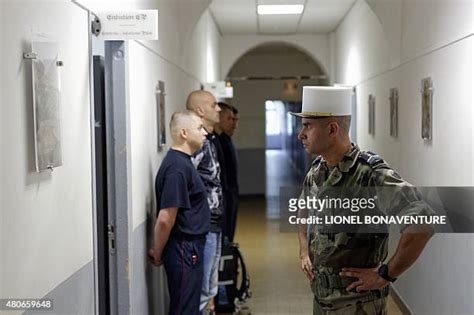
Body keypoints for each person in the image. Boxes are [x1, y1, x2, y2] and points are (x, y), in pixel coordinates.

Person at [292, 86, 434, 314]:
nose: (301, 134)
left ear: (332, 129)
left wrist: (386, 274)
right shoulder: (318, 170)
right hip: (321, 299)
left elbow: (424, 221)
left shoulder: (370, 174)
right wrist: (303, 251)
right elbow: (303, 207)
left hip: (358, 304)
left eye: (307, 126)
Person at [148, 110, 210, 315]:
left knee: (188, 305)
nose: (206, 133)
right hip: (184, 247)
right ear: (184, 133)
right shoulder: (177, 168)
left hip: (190, 247)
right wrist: (157, 252)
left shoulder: (183, 163)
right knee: (185, 309)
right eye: (200, 128)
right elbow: (166, 218)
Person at [186, 90, 223, 314]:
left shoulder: (209, 140)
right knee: (202, 290)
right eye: (214, 104)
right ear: (200, 110)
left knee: (209, 289)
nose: (218, 108)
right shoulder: (196, 143)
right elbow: (186, 181)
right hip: (203, 225)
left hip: (214, 224)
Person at [215, 102, 239, 243]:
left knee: (229, 233)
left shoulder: (225, 140)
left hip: (230, 192)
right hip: (223, 194)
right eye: (230, 119)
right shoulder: (216, 141)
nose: (234, 123)